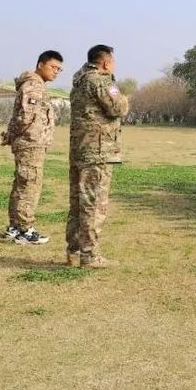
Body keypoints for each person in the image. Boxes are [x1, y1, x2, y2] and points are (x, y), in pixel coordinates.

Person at [66, 45, 130, 269]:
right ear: (106, 62)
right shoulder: (101, 81)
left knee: (78, 203)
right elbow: (117, 108)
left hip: (80, 150)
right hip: (98, 151)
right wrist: (125, 100)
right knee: (93, 204)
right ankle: (89, 255)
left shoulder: (79, 81)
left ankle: (74, 251)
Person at [2, 50, 64, 244]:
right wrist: (15, 135)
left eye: (59, 69)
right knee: (29, 186)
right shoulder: (33, 86)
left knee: (22, 184)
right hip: (30, 143)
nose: (56, 72)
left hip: (31, 142)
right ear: (40, 65)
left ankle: (14, 227)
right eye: (53, 67)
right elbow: (25, 117)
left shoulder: (36, 85)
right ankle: (25, 230)